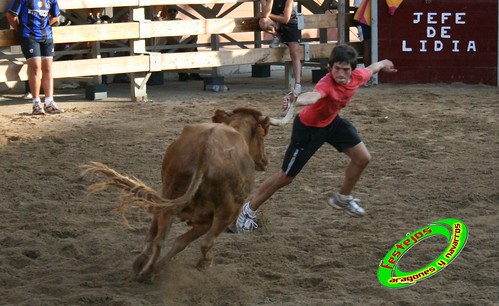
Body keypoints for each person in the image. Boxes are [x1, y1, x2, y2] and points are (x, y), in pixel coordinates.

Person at [236, 44, 397, 233]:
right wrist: (296, 99)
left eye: (345, 69)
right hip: (308, 130)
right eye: (336, 69)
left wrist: (384, 63)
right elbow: (313, 96)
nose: (340, 73)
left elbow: (372, 68)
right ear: (330, 68)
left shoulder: (359, 77)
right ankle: (248, 211)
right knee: (285, 177)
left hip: (332, 123)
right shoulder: (327, 84)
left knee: (363, 158)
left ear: (353, 70)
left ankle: (342, 199)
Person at [7, 0, 63, 115]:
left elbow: (55, 16)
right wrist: (20, 29)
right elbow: (11, 14)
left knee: (47, 68)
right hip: (29, 37)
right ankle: (36, 103)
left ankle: (49, 102)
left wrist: (45, 24)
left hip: (46, 36)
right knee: (35, 67)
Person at [258, 0, 302, 95]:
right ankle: (276, 34)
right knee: (263, 22)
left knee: (294, 53)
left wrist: (267, 15)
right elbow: (265, 15)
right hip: (276, 23)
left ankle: (298, 83)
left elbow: (286, 19)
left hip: (291, 23)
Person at [155, 6, 203, 81]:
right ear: (166, 12)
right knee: (178, 49)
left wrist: (192, 43)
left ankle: (194, 73)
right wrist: (184, 48)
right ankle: (183, 74)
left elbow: (194, 32)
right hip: (163, 48)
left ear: (177, 12)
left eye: (174, 11)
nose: (172, 13)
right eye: (170, 11)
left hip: (175, 46)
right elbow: (169, 39)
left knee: (193, 45)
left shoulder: (180, 21)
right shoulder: (162, 22)